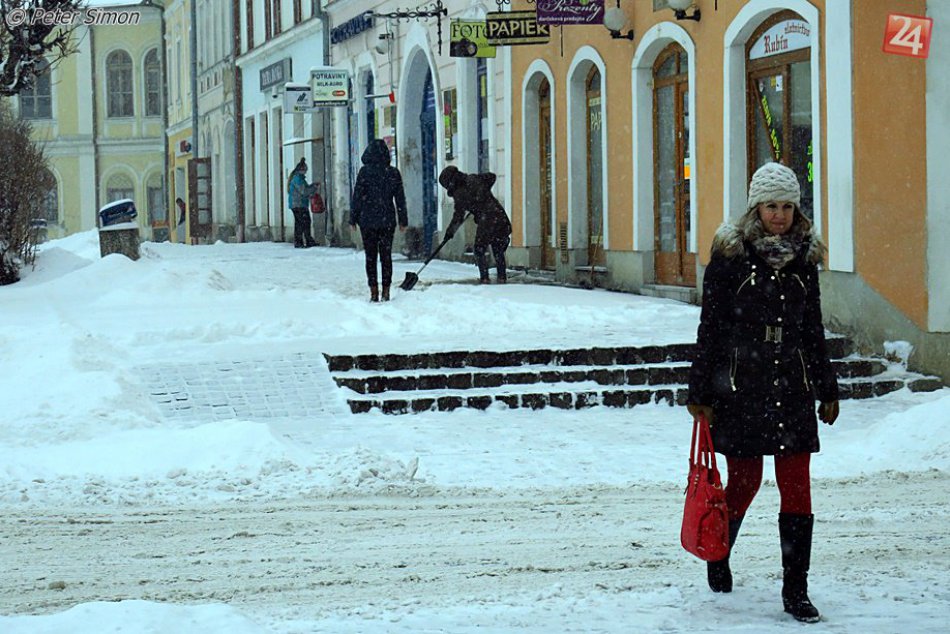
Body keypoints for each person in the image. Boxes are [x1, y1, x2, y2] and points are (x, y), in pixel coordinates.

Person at [686, 162, 840, 623]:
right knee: (746, 482)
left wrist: (827, 387)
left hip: (791, 385)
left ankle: (796, 591)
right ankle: (719, 550)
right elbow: (710, 327)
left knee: (797, 488)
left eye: (788, 206)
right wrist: (701, 393)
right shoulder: (731, 257)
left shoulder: (804, 260)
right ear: (757, 207)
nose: (780, 215)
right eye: (772, 206)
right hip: (741, 386)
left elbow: (812, 327)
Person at [350, 139, 408, 302]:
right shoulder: (393, 173)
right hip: (387, 221)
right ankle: (386, 290)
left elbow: (358, 196)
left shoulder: (364, 173)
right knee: (386, 256)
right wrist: (403, 220)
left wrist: (353, 218)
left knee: (370, 257)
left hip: (367, 221)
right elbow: (400, 198)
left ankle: (373, 291)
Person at [439, 165, 512, 284]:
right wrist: (482, 192)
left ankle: (485, 278)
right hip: (499, 215)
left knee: (479, 249)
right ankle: (501, 277)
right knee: (498, 248)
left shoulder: (459, 193)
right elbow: (491, 177)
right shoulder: (474, 179)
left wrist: (449, 232)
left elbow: (458, 217)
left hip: (487, 220)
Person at [287, 157, 319, 248]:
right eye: (305, 170)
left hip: (297, 204)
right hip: (299, 204)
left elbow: (304, 190)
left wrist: (311, 186)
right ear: (301, 169)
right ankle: (302, 241)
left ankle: (302, 241)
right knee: (303, 222)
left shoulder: (298, 178)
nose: (306, 172)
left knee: (301, 223)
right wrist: (314, 187)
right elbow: (304, 191)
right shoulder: (298, 179)